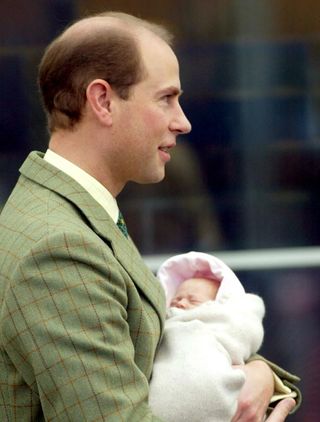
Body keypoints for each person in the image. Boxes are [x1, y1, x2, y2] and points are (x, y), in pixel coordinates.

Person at [0, 10, 299, 421]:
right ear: (102, 100)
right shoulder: (60, 247)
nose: (183, 122)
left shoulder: (70, 213)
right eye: (166, 98)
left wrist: (261, 374)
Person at [149, 252, 296, 421]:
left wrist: (262, 372)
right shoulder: (164, 326)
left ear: (218, 306)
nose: (181, 304)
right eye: (176, 299)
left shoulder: (224, 322)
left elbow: (238, 336)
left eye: (193, 300)